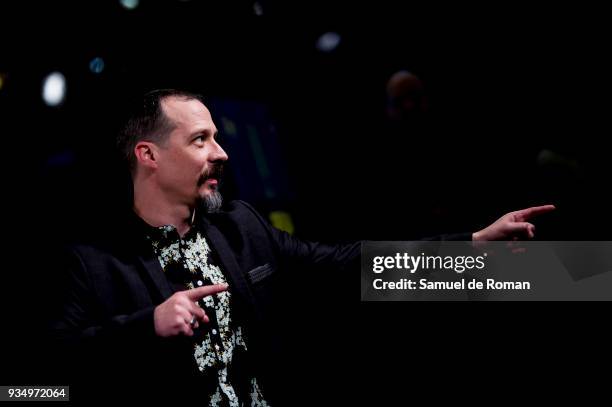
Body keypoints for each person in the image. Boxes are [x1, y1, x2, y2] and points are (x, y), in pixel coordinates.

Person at [48, 89, 554, 404]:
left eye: (217, 137)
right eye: (200, 140)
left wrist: (472, 247)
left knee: (578, 275)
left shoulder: (240, 227)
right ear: (149, 155)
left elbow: (344, 266)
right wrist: (147, 326)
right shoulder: (92, 262)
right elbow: (42, 383)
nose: (221, 153)